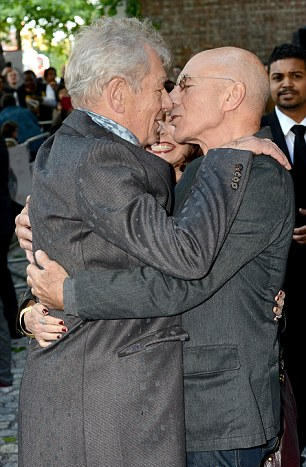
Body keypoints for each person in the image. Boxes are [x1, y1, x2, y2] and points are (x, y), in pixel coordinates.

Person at [16, 43, 294, 467]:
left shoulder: (258, 178)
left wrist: (69, 293)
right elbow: (130, 254)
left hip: (219, 413)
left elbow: (180, 282)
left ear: (231, 96)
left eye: (184, 85)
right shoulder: (204, 170)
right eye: (167, 86)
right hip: (173, 404)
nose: (171, 99)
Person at [261, 42, 306, 464]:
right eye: (278, 77)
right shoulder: (257, 136)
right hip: (277, 284)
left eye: (295, 75)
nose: (286, 84)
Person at [0, 133, 19, 351]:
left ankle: (12, 325)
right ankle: (14, 324)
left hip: (2, 214)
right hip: (4, 213)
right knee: (4, 275)